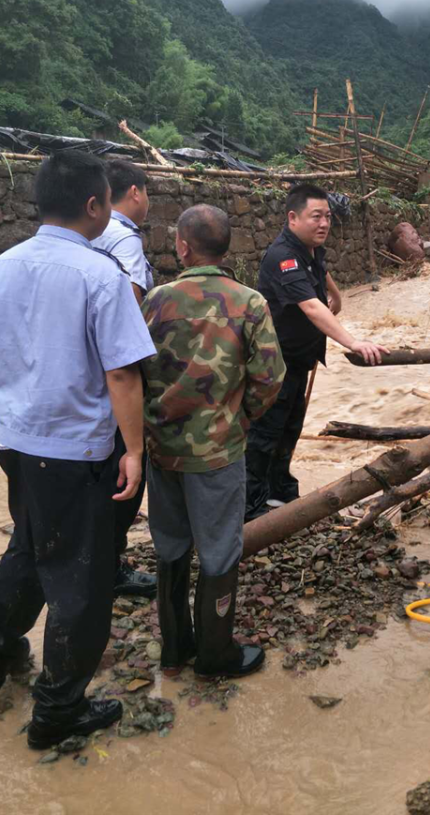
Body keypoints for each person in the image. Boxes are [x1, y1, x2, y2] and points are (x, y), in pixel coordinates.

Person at [0, 150, 156, 750]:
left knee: (28, 545)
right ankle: (57, 710)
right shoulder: (99, 274)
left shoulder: (3, 264)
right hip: (77, 451)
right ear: (94, 204)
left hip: (17, 441)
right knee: (82, 575)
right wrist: (134, 450)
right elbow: (123, 375)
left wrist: (21, 409)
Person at [141, 205, 285, 679]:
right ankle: (216, 655)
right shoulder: (250, 303)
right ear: (228, 247)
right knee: (220, 551)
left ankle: (174, 648)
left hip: (162, 450)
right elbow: (270, 377)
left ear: (182, 245)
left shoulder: (155, 300)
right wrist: (238, 419)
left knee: (169, 545)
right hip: (219, 453)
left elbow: (132, 372)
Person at [245, 183, 389, 521]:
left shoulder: (309, 249)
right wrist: (354, 342)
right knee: (264, 435)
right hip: (274, 366)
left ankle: (279, 494)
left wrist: (337, 297)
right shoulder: (283, 256)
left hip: (297, 362)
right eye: (316, 217)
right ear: (292, 217)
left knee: (289, 430)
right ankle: (249, 510)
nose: (324, 223)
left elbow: (319, 274)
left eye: (327, 216)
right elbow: (310, 306)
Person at [91, 159, 157, 598]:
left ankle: (87, 557)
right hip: (114, 378)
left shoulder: (91, 236)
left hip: (79, 378)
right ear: (134, 192)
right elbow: (127, 309)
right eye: (147, 193)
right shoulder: (125, 239)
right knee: (128, 469)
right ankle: (107, 567)